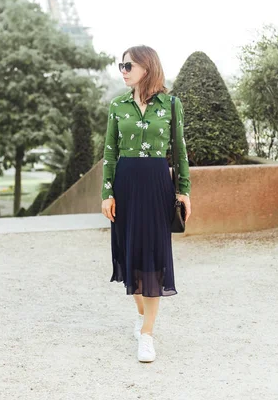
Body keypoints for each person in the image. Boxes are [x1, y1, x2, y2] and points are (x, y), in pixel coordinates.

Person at [101, 45, 191, 363]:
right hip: (125, 184)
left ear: (147, 67)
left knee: (153, 257)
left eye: (128, 65)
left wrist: (184, 191)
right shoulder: (117, 106)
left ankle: (147, 334)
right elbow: (110, 152)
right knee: (131, 256)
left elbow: (179, 150)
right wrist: (106, 193)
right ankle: (142, 316)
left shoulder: (171, 104)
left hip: (156, 184)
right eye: (121, 65)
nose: (123, 70)